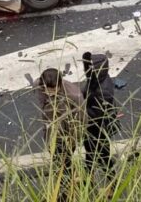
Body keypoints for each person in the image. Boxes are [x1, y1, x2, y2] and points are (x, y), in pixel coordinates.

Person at [34, 68, 83, 200]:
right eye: (46, 90)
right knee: (60, 162)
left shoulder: (74, 95)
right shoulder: (38, 85)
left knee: (61, 164)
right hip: (50, 133)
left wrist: (73, 140)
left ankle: (66, 192)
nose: (50, 94)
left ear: (60, 84)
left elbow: (82, 120)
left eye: (53, 90)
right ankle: (71, 177)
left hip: (66, 137)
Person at [81, 52, 119, 178]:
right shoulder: (99, 78)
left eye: (91, 66)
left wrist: (80, 113)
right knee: (91, 153)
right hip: (95, 126)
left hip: (98, 128)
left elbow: (96, 114)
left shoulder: (102, 92)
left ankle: (111, 180)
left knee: (102, 156)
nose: (88, 69)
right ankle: (90, 175)